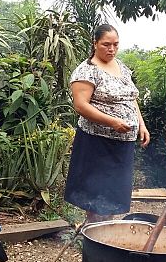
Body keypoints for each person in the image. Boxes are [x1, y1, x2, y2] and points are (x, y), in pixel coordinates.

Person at [64, 24, 150, 223]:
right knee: (96, 199)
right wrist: (112, 122)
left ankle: (106, 237)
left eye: (115, 45)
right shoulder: (86, 71)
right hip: (97, 144)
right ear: (95, 44)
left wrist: (141, 124)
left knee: (112, 197)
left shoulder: (121, 67)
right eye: (106, 45)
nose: (111, 49)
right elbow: (81, 105)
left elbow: (130, 98)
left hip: (122, 144)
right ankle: (94, 240)